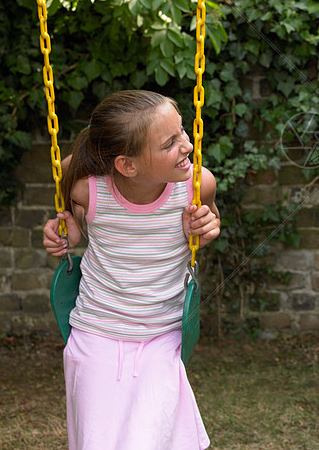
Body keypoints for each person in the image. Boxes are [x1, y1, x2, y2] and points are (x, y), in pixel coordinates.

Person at [42, 89, 221, 450]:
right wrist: (71, 224)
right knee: (99, 440)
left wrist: (205, 228)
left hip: (161, 335)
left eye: (183, 132)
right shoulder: (88, 190)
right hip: (96, 331)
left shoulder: (197, 186)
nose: (186, 145)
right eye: (170, 142)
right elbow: (66, 173)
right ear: (127, 165)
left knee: (157, 438)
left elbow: (212, 222)